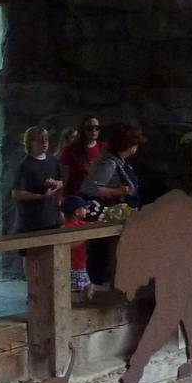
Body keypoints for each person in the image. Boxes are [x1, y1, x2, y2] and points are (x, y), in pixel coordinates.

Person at [80, 122, 143, 286]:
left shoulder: (116, 160)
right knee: (103, 252)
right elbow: (91, 188)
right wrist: (119, 191)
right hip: (108, 215)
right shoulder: (110, 162)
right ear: (130, 145)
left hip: (117, 215)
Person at [9, 126, 64, 232]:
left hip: (51, 219)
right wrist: (41, 196)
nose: (44, 142)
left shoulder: (52, 160)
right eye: (39, 140)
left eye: (46, 139)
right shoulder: (25, 165)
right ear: (30, 142)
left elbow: (61, 181)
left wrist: (55, 184)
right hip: (31, 223)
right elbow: (16, 193)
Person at [57, 115, 105, 196]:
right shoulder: (70, 150)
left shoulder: (104, 148)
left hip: (99, 196)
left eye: (97, 128)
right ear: (82, 129)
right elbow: (63, 178)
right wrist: (59, 199)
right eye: (89, 128)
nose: (94, 131)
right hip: (76, 197)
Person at [61, 194, 96, 301]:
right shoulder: (67, 227)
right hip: (73, 266)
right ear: (77, 212)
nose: (86, 210)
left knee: (87, 287)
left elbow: (93, 225)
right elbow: (68, 246)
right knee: (77, 291)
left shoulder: (81, 224)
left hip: (81, 265)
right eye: (84, 208)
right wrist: (86, 236)